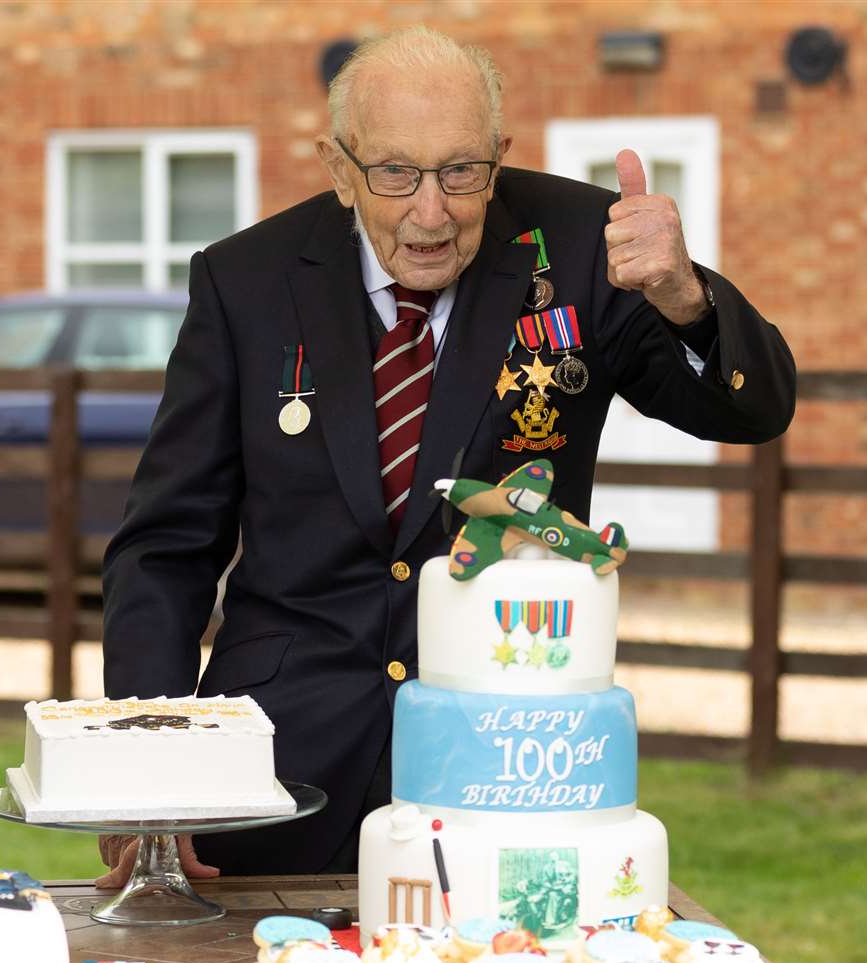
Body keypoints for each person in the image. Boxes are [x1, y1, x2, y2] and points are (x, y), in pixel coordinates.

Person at [96, 26, 794, 887]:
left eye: (462, 172)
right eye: (396, 173)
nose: (432, 212)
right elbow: (167, 545)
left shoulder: (583, 248)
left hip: (505, 767)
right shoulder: (246, 281)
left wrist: (684, 296)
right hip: (275, 768)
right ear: (338, 167)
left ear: (499, 159)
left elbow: (753, 410)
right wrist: (143, 774)